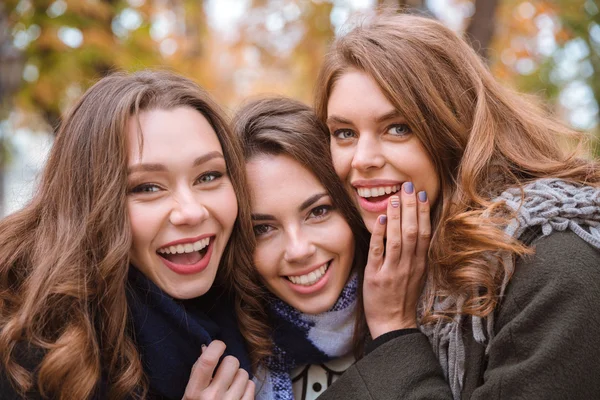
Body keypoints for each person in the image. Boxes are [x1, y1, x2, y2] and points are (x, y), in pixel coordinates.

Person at [313, 11, 600, 399]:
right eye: (344, 133)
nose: (361, 159)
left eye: (398, 128)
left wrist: (393, 331)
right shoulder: (363, 264)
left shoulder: (554, 263)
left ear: (455, 127)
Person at [0, 70, 255, 399]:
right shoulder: (24, 350)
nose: (191, 212)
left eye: (208, 176)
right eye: (147, 187)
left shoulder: (253, 307)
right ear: (88, 204)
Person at [231, 97, 370, 400]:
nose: (298, 250)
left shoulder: (436, 321)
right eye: (263, 229)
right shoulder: (222, 360)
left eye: (318, 211)